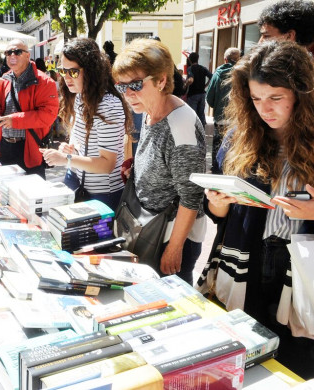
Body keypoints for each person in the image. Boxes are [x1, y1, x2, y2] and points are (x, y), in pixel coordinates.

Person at [195, 41, 314, 379]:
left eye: (275, 98)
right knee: (247, 352)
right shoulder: (240, 136)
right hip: (248, 255)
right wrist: (216, 206)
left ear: (301, 93)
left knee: (296, 358)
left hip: (302, 264)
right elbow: (220, 205)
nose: (265, 109)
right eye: (256, 99)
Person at [112, 38, 207, 285]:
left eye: (135, 85)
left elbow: (191, 197)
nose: (128, 94)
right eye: (121, 87)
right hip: (148, 227)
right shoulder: (150, 108)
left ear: (162, 80)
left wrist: (174, 249)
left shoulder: (180, 125)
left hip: (171, 238)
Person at [41, 38, 129, 211]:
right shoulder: (80, 95)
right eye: (62, 71)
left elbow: (107, 165)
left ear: (91, 71)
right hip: (77, 183)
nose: (66, 78)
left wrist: (66, 159)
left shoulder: (108, 105)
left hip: (102, 195)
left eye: (73, 72)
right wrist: (70, 149)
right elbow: (84, 146)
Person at [0, 39, 58, 178]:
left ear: (28, 55)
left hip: (29, 149)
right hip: (5, 146)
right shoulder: (5, 78)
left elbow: (48, 115)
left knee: (32, 195)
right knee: (6, 194)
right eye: (8, 52)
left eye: (17, 52)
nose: (12, 55)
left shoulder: (45, 82)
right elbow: (2, 105)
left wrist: (15, 120)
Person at [206, 47, 240, 174]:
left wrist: (217, 106)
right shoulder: (244, 73)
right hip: (237, 120)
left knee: (217, 149)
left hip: (220, 119)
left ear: (225, 59)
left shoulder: (218, 73)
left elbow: (209, 97)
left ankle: (217, 176)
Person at [184, 52, 212, 128]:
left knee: (193, 114)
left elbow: (191, 80)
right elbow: (211, 77)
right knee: (201, 114)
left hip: (193, 94)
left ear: (190, 59)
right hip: (202, 94)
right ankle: (202, 131)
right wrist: (205, 85)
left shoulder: (190, 68)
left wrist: (185, 85)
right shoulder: (203, 68)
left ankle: (194, 131)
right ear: (198, 59)